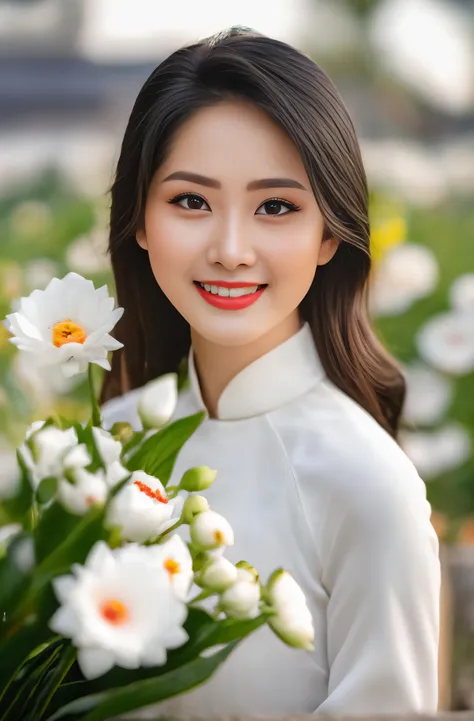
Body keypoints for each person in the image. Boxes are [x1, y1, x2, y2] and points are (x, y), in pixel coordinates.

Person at [99, 27, 441, 716]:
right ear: (139, 221)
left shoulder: (367, 484)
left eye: (275, 207)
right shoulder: (110, 444)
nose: (230, 249)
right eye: (191, 201)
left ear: (327, 235)